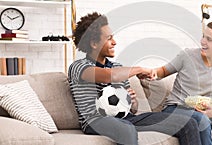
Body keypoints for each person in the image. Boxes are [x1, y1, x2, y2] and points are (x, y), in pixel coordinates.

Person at [68, 12, 201, 145]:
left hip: (127, 118)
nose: (114, 42)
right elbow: (109, 76)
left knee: (188, 122)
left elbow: (134, 109)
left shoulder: (118, 67)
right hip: (95, 121)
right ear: (94, 44)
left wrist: (131, 100)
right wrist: (140, 69)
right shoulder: (79, 66)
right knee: (127, 129)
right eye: (109, 38)